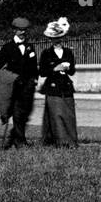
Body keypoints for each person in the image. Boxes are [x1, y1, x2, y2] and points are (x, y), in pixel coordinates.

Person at [0, 17, 37, 149]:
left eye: (24, 30)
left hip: (28, 86)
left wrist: (35, 79)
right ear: (14, 30)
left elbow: (34, 66)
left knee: (25, 113)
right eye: (19, 30)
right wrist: (12, 78)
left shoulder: (30, 47)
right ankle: (20, 141)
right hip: (14, 86)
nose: (22, 32)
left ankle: (18, 138)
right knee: (18, 113)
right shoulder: (7, 48)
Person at [38, 17, 78, 148]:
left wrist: (67, 68)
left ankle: (71, 141)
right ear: (50, 39)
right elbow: (43, 72)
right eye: (54, 38)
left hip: (66, 86)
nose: (57, 41)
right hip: (53, 87)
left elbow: (72, 71)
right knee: (56, 115)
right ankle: (60, 142)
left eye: (59, 38)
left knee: (69, 115)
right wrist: (54, 69)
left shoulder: (68, 52)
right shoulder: (46, 53)